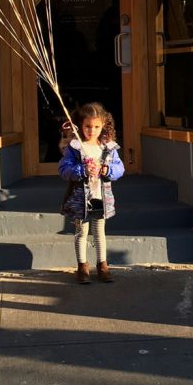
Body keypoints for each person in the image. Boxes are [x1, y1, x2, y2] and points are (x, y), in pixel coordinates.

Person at [59, 102, 125, 284]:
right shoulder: (75, 147)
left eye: (96, 126)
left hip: (100, 197)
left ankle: (102, 266)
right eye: (87, 126)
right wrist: (82, 170)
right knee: (81, 232)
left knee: (99, 231)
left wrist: (107, 170)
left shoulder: (108, 147)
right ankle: (82, 266)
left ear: (103, 125)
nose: (92, 130)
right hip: (80, 198)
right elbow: (64, 169)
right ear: (80, 125)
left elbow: (120, 168)